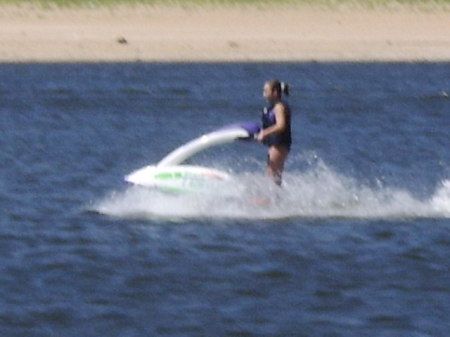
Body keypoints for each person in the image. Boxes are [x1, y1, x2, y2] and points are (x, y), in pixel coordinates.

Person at [256, 79, 292, 186]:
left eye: (266, 91)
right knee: (274, 175)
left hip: (279, 145)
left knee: (271, 174)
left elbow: (281, 125)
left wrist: (264, 133)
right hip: (275, 145)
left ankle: (271, 198)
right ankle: (276, 199)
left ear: (275, 92)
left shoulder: (279, 107)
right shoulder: (272, 107)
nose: (263, 94)